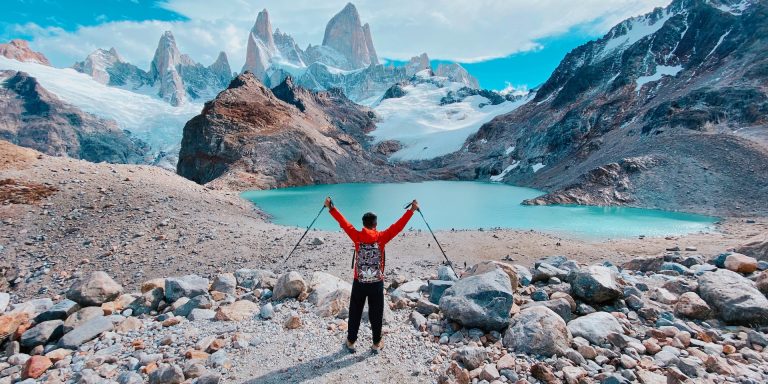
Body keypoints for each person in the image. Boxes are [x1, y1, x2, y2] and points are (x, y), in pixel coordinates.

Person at [325, 196, 418, 353]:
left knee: (355, 311)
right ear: (376, 224)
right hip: (376, 282)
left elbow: (343, 223)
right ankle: (376, 343)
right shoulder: (382, 237)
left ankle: (351, 341)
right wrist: (412, 210)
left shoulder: (357, 236)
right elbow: (398, 226)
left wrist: (331, 207)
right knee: (376, 313)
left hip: (359, 280)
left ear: (363, 224)